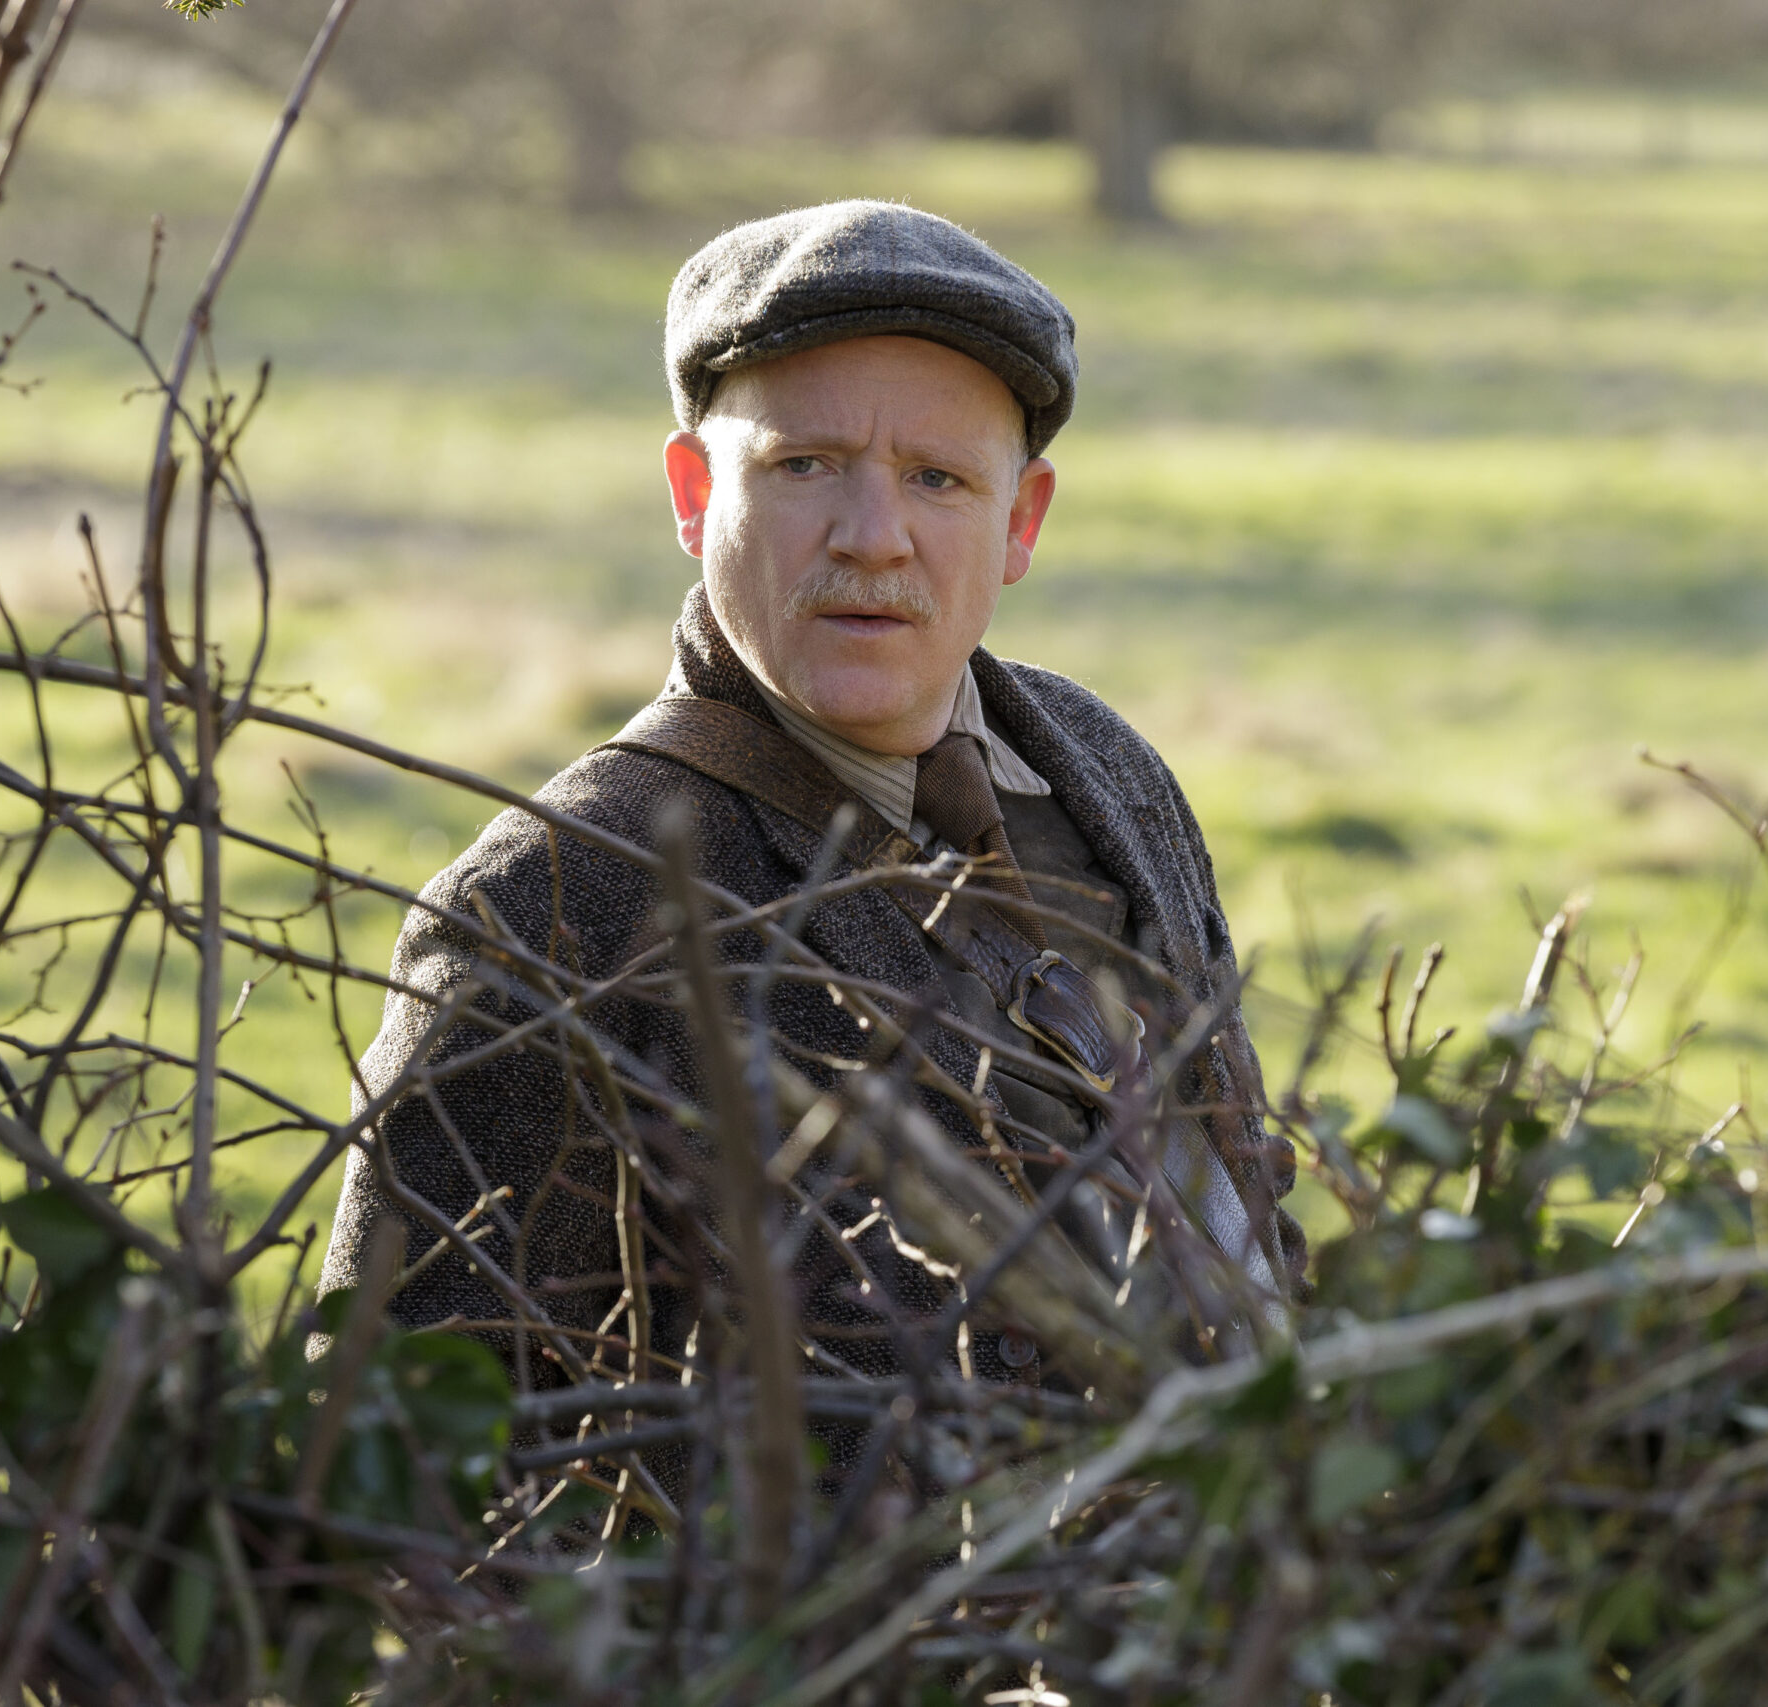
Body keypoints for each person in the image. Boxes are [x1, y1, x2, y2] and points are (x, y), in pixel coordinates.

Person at [318, 200, 1302, 1403]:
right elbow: (404, 1451)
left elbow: (1246, 1202)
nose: (874, 537)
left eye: (937, 479)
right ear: (692, 494)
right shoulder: (559, 900)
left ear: (1020, 521)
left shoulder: (1109, 771)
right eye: (805, 466)